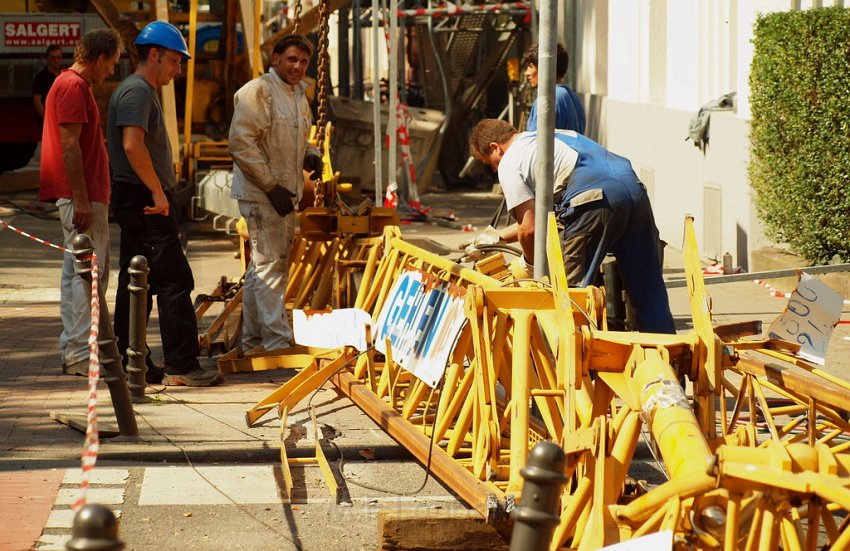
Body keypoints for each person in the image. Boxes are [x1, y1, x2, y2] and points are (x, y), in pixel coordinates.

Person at [468, 119, 675, 334]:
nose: (494, 168)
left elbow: (529, 229)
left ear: (495, 147)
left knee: (570, 295)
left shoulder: (510, 162)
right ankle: (663, 352)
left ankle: (578, 361)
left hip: (592, 198)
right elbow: (539, 219)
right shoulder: (554, 136)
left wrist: (530, 265)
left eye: (489, 162)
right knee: (647, 285)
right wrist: (495, 238)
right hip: (633, 191)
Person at [107, 21, 222, 387]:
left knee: (135, 279)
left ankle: (132, 362)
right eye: (174, 61)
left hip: (136, 196)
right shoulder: (138, 92)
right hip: (144, 199)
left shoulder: (139, 90)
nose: (178, 69)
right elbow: (131, 144)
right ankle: (181, 366)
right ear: (153, 55)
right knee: (173, 280)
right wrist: (158, 192)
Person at [228, 34, 322, 353]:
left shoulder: (297, 95)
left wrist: (310, 155)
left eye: (304, 61)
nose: (298, 67)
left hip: (283, 193)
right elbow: (242, 143)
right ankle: (275, 340)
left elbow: (298, 137)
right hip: (262, 195)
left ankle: (254, 339)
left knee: (263, 265)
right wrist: (270, 185)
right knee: (272, 265)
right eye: (292, 59)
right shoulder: (259, 91)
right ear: (276, 59)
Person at [38, 30, 122, 375]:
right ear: (100, 58)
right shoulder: (73, 86)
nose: (112, 72)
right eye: (112, 64)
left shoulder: (70, 84)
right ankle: (78, 352)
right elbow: (70, 145)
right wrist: (83, 199)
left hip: (82, 196)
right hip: (81, 197)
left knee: (78, 273)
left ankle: (76, 349)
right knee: (88, 275)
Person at [523, 43, 586, 134]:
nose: (527, 73)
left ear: (545, 67)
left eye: (530, 66)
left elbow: (536, 143)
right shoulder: (571, 96)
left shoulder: (549, 98)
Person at [33, 45, 63, 125]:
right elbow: (37, 102)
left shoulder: (65, 75)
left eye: (58, 57)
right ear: (47, 59)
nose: (56, 60)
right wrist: (48, 120)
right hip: (47, 122)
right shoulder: (41, 77)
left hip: (63, 121)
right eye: (53, 58)